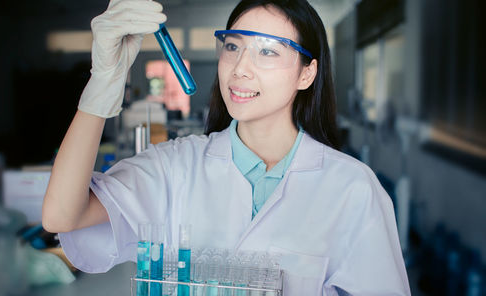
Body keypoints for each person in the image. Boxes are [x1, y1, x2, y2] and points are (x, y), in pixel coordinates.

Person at [42, 0, 411, 294]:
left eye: (267, 52)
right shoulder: (176, 166)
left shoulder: (352, 188)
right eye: (233, 47)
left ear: (306, 73)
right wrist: (101, 87)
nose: (240, 68)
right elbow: (61, 216)